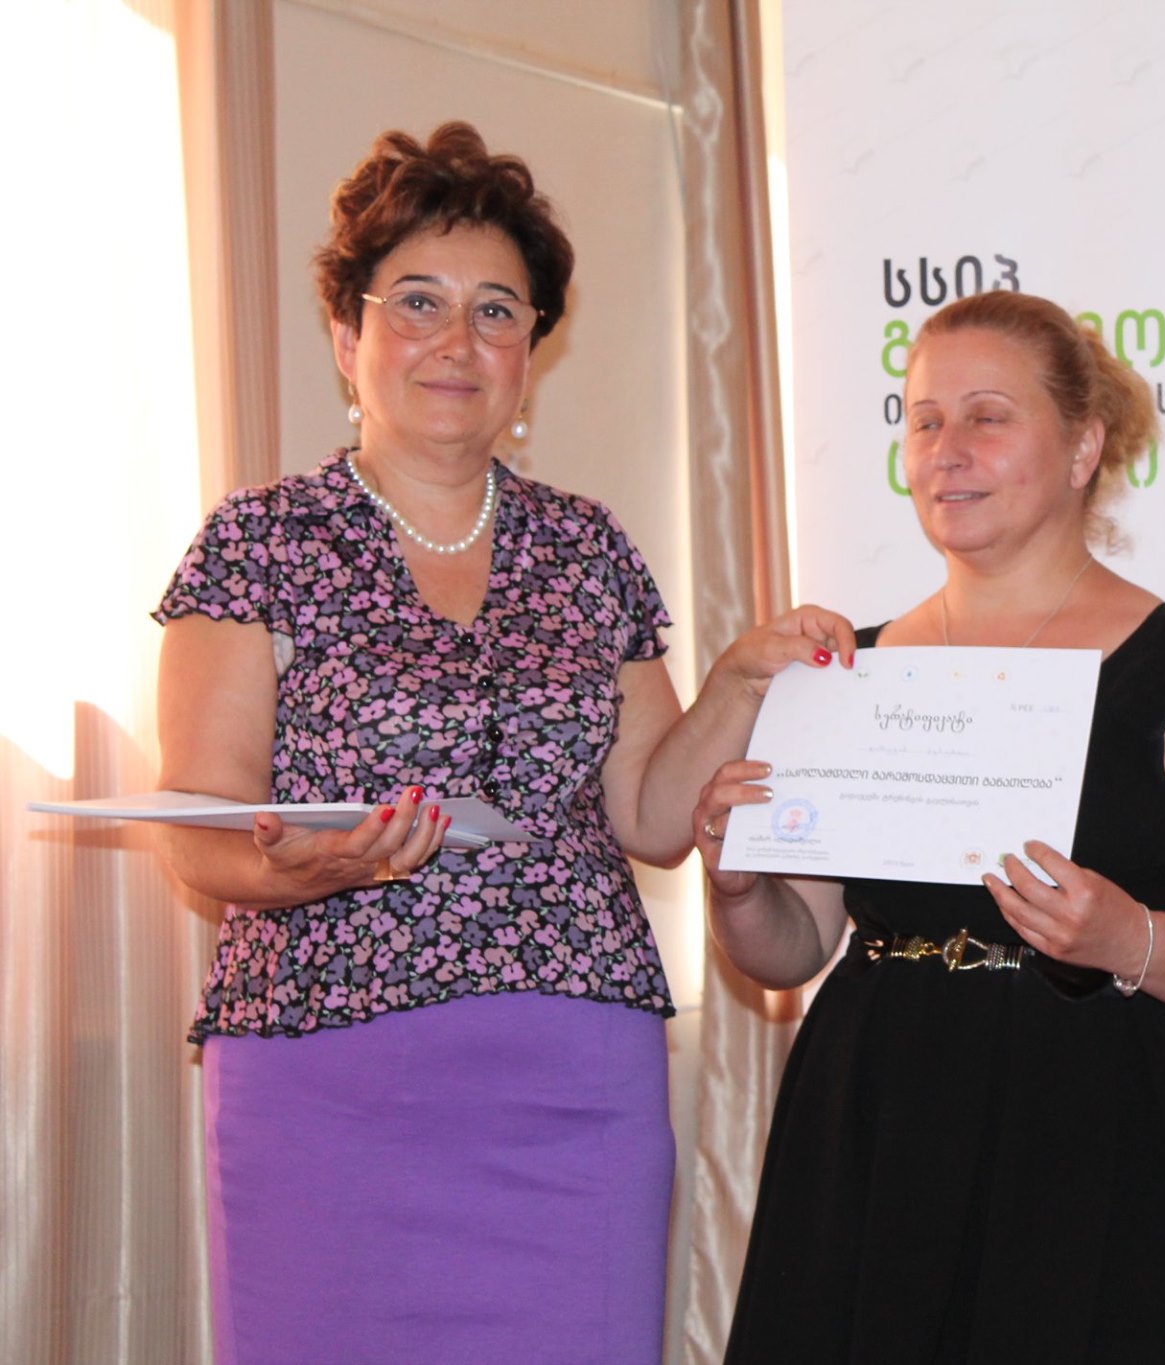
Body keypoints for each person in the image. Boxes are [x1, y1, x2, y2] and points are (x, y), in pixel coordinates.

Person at [152, 122, 852, 1363]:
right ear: (347, 336)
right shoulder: (259, 540)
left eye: (495, 312)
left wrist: (739, 681)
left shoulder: (588, 547)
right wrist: (301, 871)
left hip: (571, 1079)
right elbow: (197, 824)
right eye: (417, 302)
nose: (457, 341)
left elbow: (647, 817)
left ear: (531, 351)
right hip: (322, 1071)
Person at [695, 290, 1165, 1363]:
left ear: (1082, 448)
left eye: (987, 417)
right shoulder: (846, 674)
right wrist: (739, 886)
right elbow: (794, 949)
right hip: (877, 1115)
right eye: (924, 420)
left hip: (1107, 1123)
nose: (947, 450)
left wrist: (1128, 938)